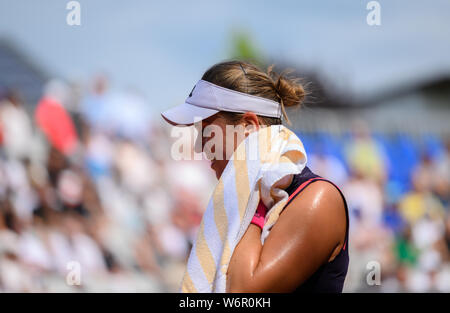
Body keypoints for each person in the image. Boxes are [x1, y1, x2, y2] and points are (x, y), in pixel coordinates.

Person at [161, 60, 349, 293]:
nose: (199, 146)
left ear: (249, 126)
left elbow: (242, 294)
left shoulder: (319, 199)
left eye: (207, 130)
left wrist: (254, 194)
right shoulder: (240, 201)